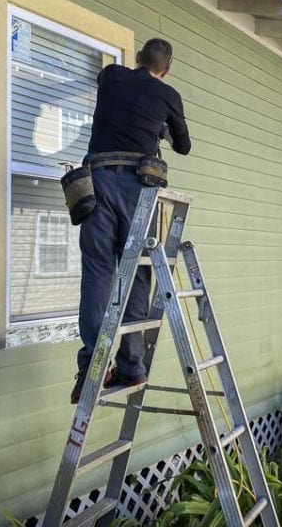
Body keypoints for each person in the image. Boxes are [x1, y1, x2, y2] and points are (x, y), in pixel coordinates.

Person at [71, 38, 191, 404]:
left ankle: (92, 367)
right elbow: (183, 146)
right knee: (138, 271)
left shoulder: (110, 76)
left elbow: (119, 100)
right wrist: (161, 127)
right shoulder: (168, 93)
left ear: (138, 58)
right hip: (141, 187)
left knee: (97, 271)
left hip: (98, 182)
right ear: (166, 69)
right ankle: (132, 364)